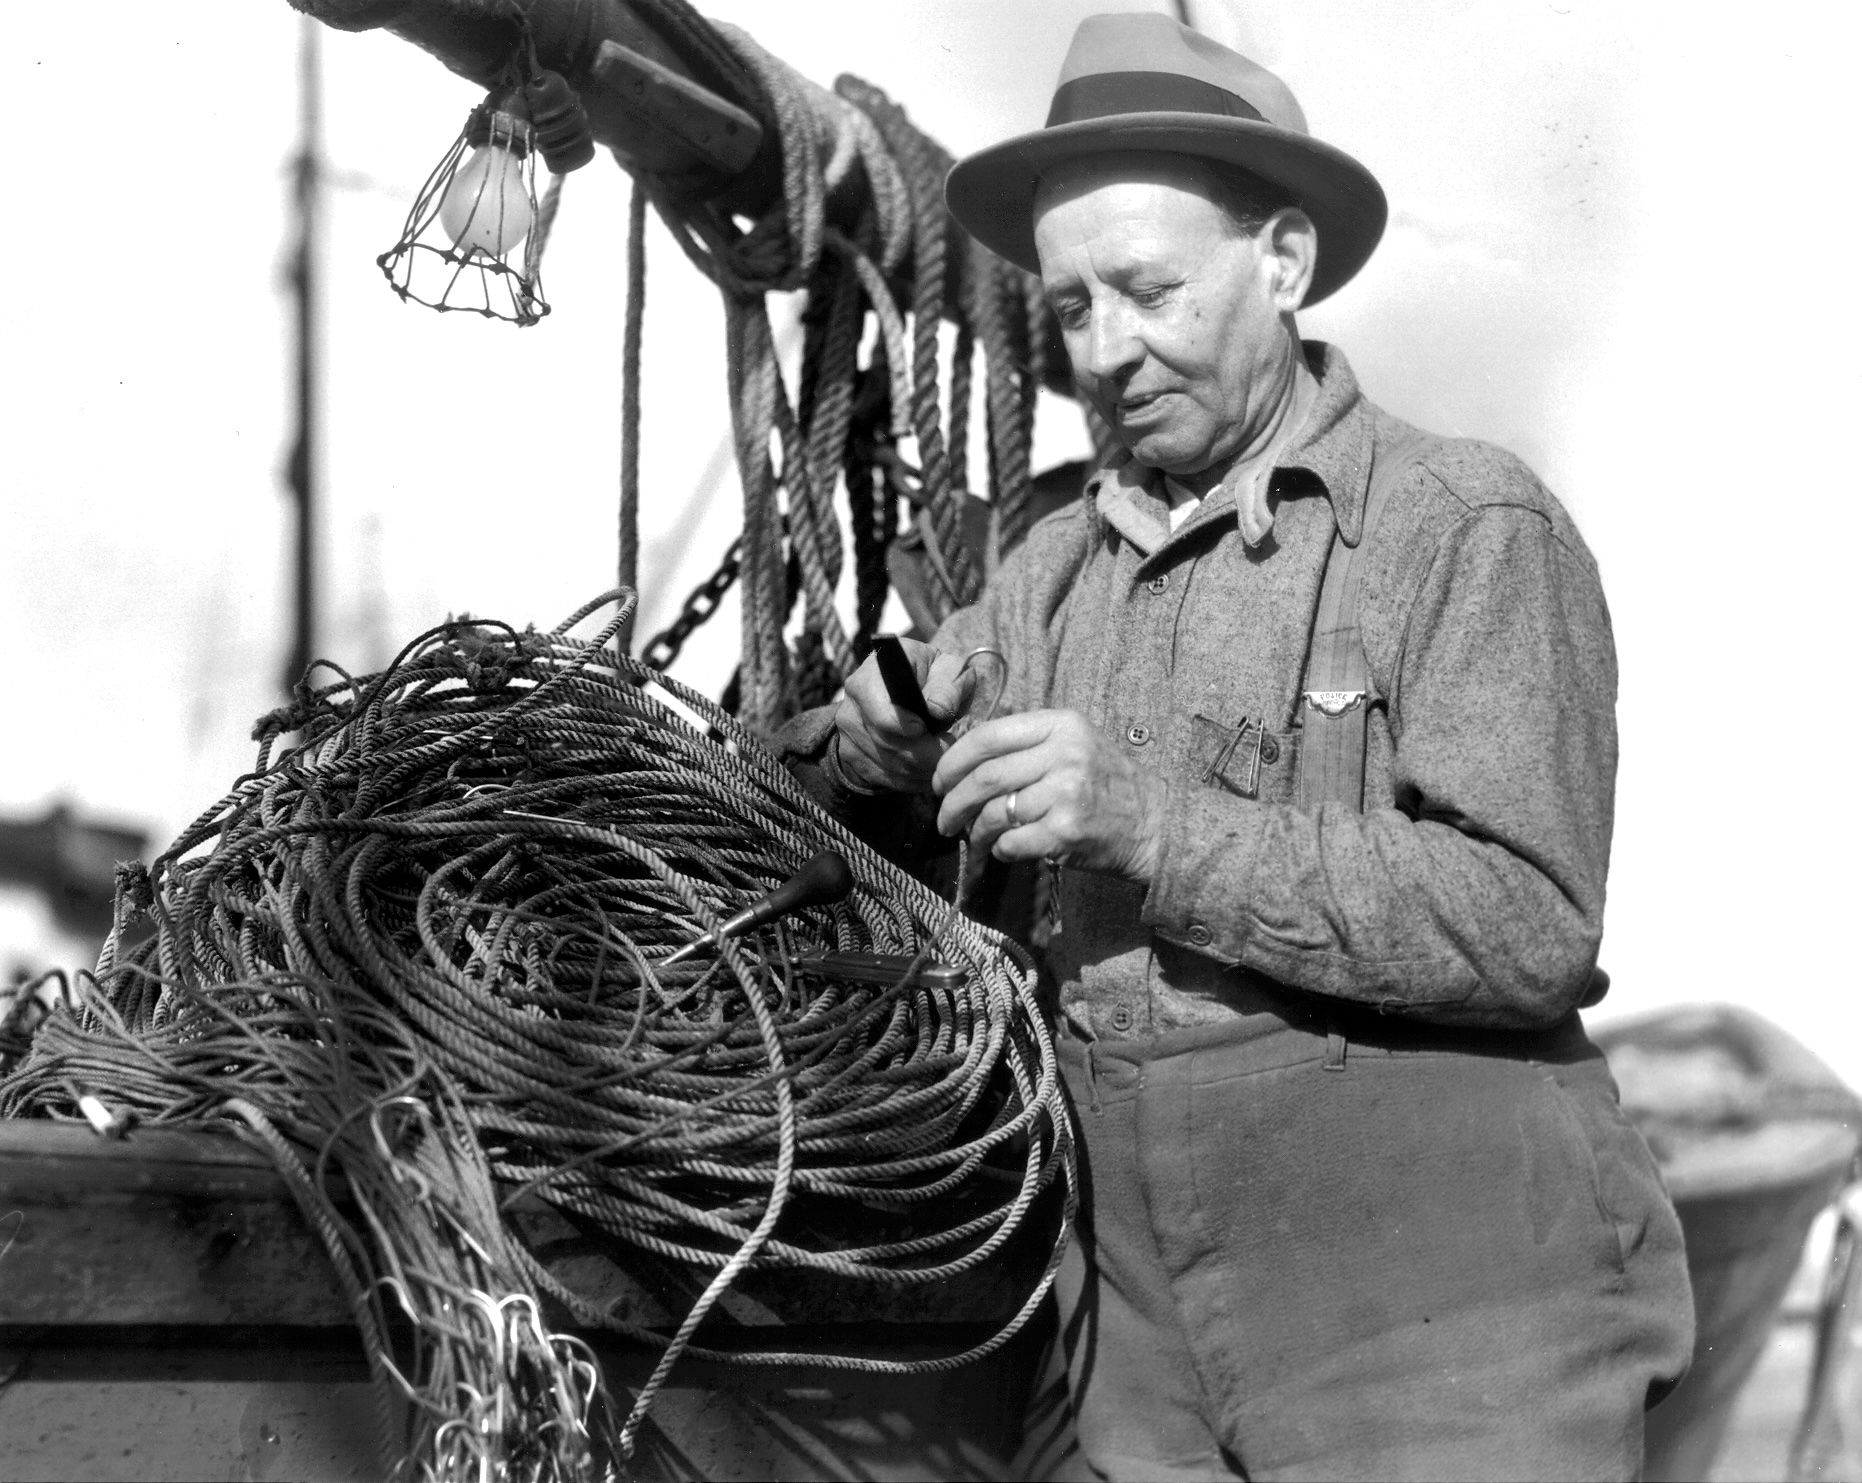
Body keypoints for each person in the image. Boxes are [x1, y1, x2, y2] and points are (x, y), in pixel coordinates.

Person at [780, 12, 1693, 1480]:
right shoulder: (1045, 565)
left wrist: (1151, 822)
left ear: (1279, 263)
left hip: (1441, 1317)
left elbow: (1529, 923)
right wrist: (873, 755)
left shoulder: (1463, 526)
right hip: (1129, 1331)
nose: (1105, 352)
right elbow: (877, 877)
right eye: (1071, 307)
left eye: (1146, 291)